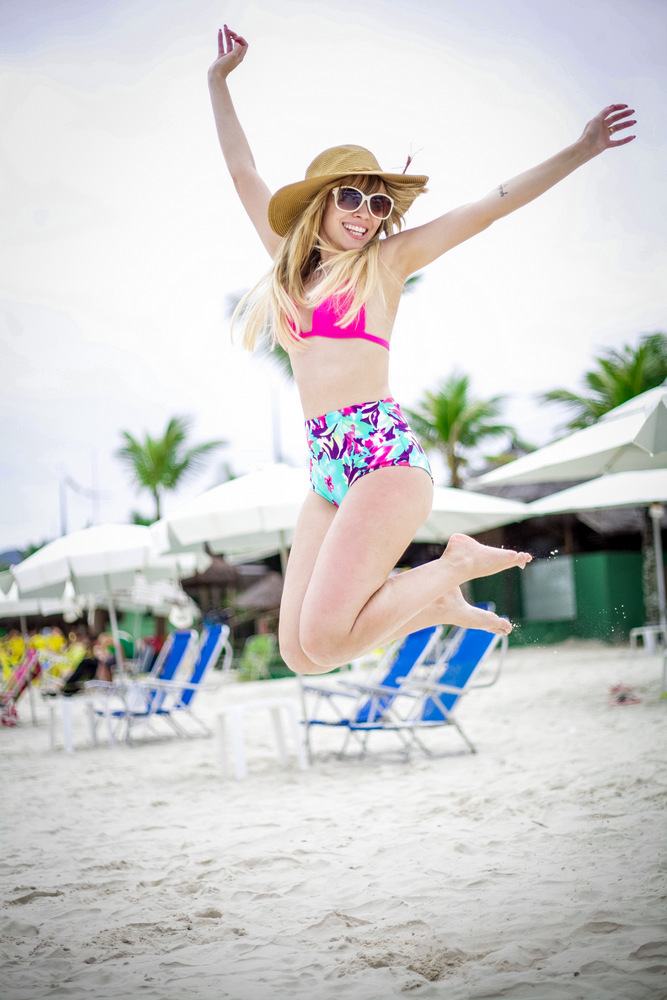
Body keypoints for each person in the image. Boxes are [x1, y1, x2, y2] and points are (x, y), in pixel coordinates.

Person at [208, 25, 636, 676]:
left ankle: (452, 566)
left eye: (377, 202)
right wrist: (217, 81)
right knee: (301, 654)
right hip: (326, 471)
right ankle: (433, 602)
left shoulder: (385, 264)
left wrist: (580, 150)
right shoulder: (291, 270)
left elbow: (486, 209)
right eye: (350, 196)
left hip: (382, 462)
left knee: (327, 640)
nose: (365, 211)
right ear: (320, 203)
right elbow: (243, 172)